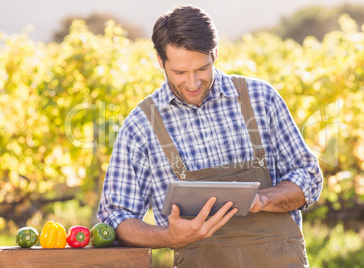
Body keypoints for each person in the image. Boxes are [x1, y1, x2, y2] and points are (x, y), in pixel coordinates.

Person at [97, 5, 323, 267]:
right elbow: (115, 215)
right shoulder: (141, 126)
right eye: (180, 72)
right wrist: (168, 236)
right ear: (160, 62)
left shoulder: (261, 98)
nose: (192, 83)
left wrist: (262, 199)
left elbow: (307, 176)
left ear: (215, 54)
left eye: (202, 69)